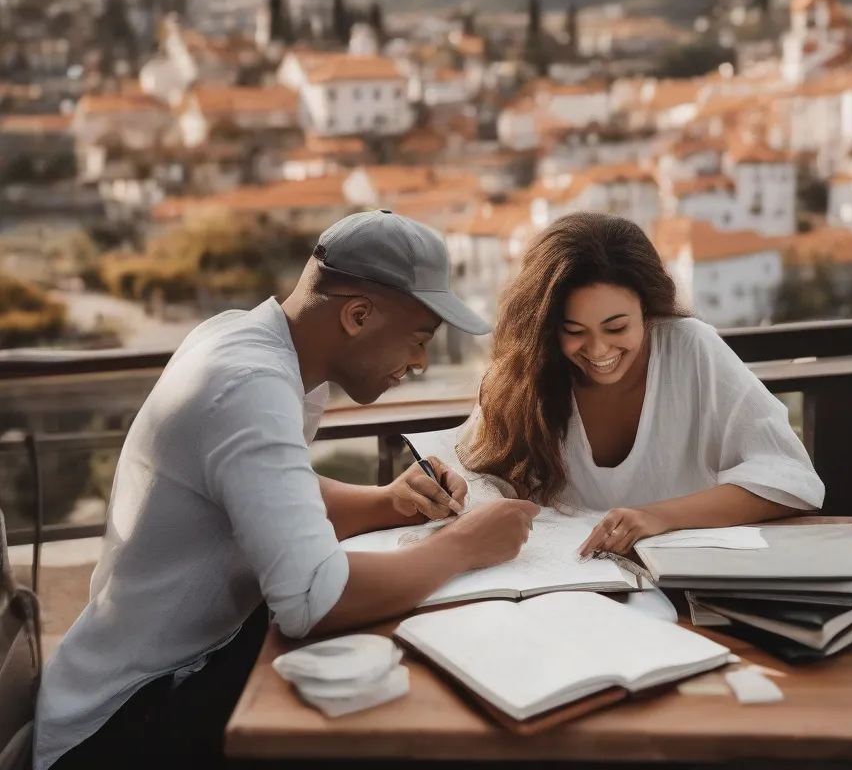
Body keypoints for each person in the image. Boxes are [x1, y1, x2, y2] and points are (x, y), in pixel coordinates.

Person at [36, 210, 538, 770]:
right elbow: (312, 601)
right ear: (358, 314)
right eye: (419, 339)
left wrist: (389, 502)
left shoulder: (253, 343)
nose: (420, 362)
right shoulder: (250, 387)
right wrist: (464, 546)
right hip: (125, 722)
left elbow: (267, 493)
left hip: (182, 670)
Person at [459, 211, 823, 559]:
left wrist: (657, 516)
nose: (599, 350)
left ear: (647, 311)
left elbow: (791, 479)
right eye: (574, 332)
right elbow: (476, 478)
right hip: (568, 589)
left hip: (683, 583)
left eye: (617, 327)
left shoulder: (691, 349)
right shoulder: (527, 373)